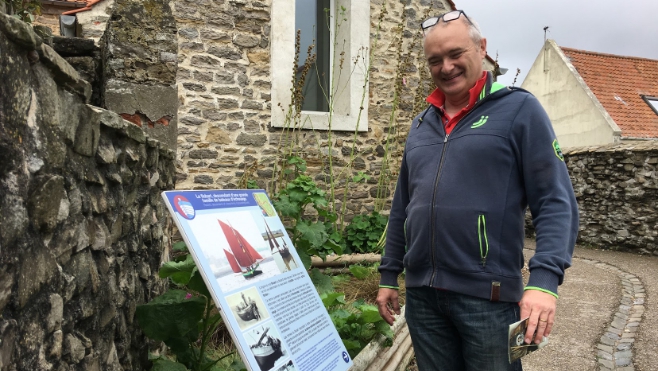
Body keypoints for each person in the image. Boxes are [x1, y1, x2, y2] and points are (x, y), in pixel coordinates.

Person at [376, 9, 579, 371]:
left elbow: (555, 201)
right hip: (423, 298)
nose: (446, 67)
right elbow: (402, 208)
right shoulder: (421, 124)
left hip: (489, 299)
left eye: (456, 54)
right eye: (435, 60)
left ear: (481, 48)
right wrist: (389, 274)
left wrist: (545, 281)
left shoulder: (519, 110)